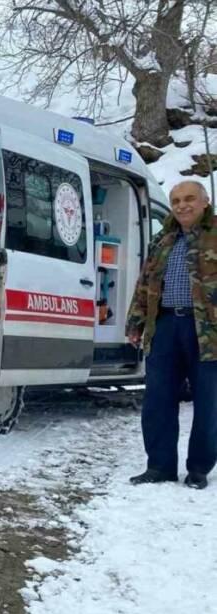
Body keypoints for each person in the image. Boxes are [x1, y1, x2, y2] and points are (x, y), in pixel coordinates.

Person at [126, 180, 216, 489]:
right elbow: (144, 284)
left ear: (205, 202)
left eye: (189, 199)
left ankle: (199, 469)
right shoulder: (162, 240)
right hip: (164, 326)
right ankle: (160, 466)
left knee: (209, 401)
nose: (181, 205)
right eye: (176, 200)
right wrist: (135, 323)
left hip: (208, 332)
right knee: (158, 398)